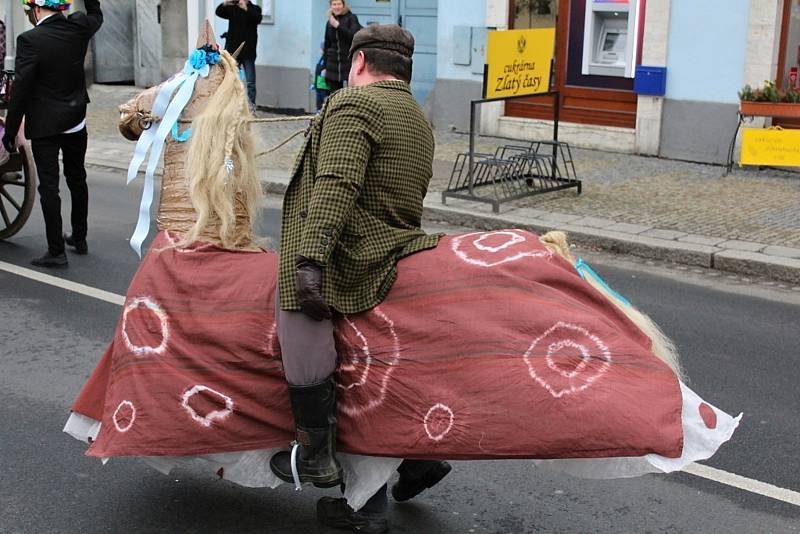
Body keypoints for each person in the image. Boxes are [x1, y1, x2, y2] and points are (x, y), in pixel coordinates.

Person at [268, 23, 449, 533]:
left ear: (360, 61)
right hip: (398, 247)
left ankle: (314, 451)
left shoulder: (353, 105)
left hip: (354, 252)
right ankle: (414, 459)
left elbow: (336, 185)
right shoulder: (417, 115)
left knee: (295, 318)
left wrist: (309, 261)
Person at [2, 0, 102, 267]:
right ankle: (79, 237)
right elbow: (96, 14)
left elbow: (20, 90)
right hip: (75, 118)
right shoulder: (78, 27)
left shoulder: (29, 40)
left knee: (49, 186)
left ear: (36, 10)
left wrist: (10, 131)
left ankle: (56, 250)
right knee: (77, 177)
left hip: (46, 124)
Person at [215, 0, 261, 108]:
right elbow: (219, 12)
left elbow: (257, 19)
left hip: (248, 52)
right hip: (233, 52)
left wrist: (245, 8)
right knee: (230, 79)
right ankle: (232, 106)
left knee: (250, 82)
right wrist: (225, 4)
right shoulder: (232, 9)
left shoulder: (255, 9)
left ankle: (251, 107)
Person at [323, 0, 361, 92]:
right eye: (334, 4)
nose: (336, 7)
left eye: (339, 4)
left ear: (344, 5)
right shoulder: (329, 23)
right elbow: (327, 43)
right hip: (333, 63)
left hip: (348, 61)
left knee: (352, 92)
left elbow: (354, 35)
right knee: (334, 95)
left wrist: (338, 26)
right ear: (331, 6)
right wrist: (325, 65)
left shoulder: (351, 18)